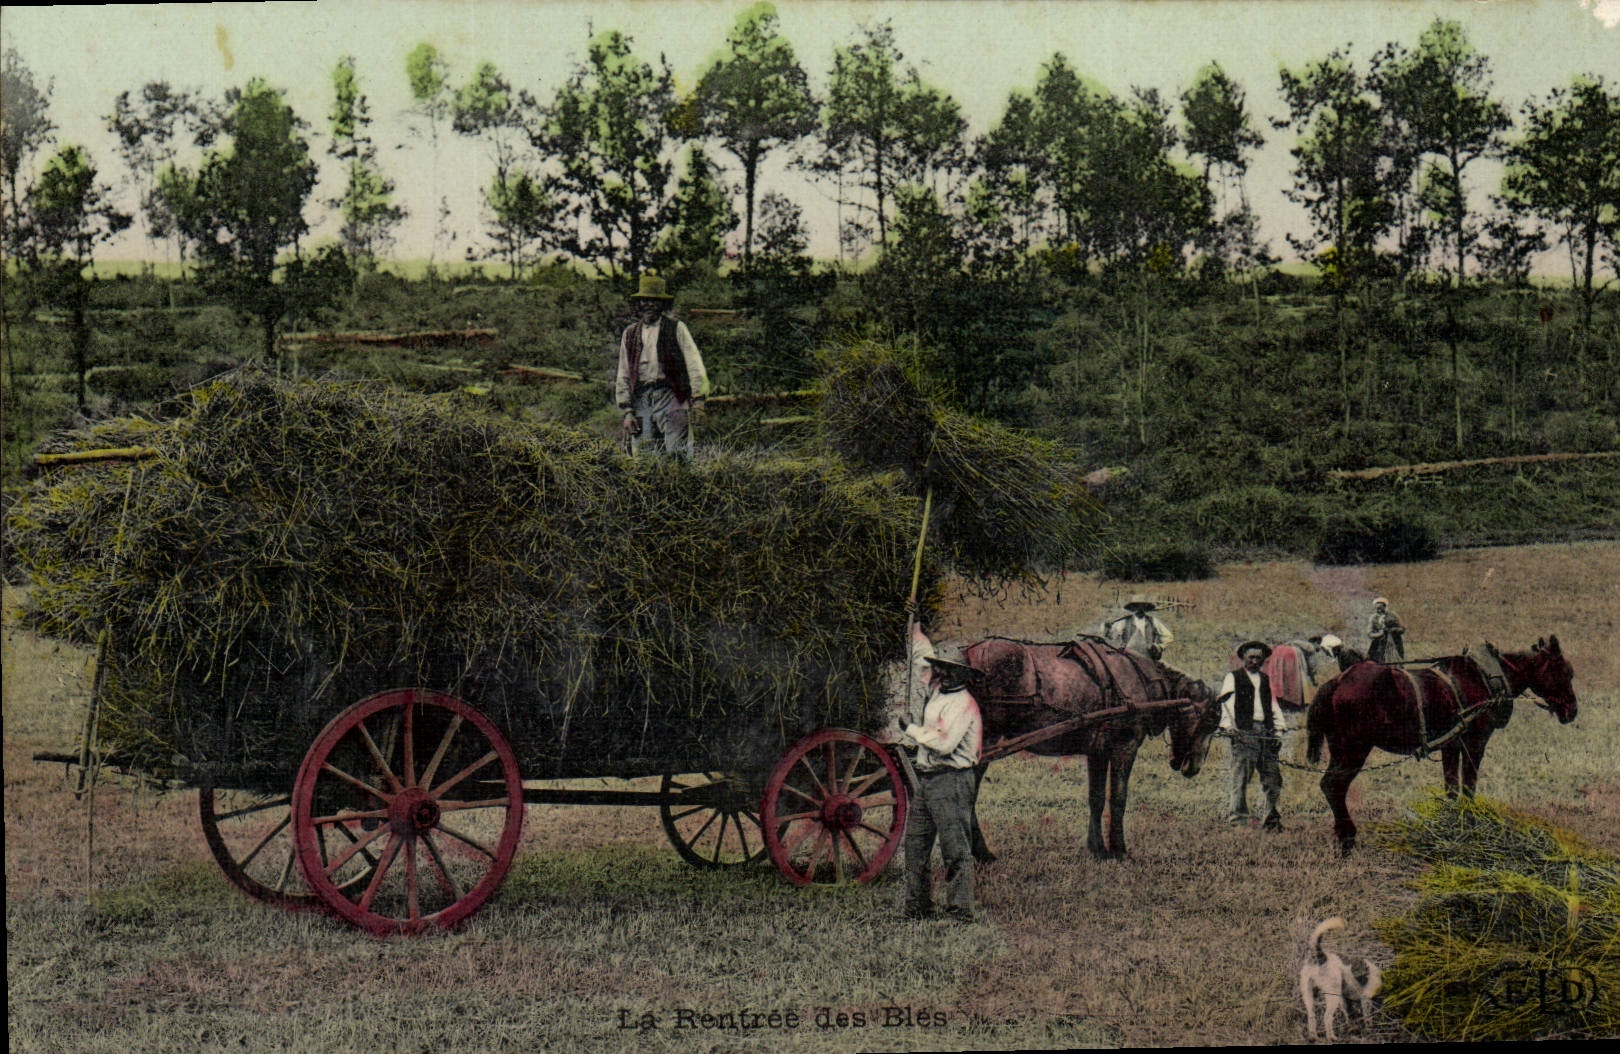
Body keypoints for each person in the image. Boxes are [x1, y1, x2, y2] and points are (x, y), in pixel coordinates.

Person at [898, 620, 983, 923]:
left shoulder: (964, 704)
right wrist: (914, 626)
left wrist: (911, 729)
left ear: (961, 675)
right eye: (939, 668)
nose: (941, 673)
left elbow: (944, 745)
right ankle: (917, 908)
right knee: (915, 847)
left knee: (955, 849)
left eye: (948, 670)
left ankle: (960, 911)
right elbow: (920, 661)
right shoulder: (937, 693)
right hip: (928, 782)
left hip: (952, 781)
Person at [614, 273, 709, 458]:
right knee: (643, 458)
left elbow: (694, 364)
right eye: (645, 301)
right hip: (641, 399)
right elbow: (623, 373)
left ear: (662, 305)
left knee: (677, 455)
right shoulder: (630, 334)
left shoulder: (676, 328)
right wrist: (627, 411)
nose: (650, 305)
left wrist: (698, 400)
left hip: (671, 396)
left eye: (655, 301)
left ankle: (679, 486)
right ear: (639, 304)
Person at [1217, 640, 1284, 831]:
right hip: (1244, 732)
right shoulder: (1233, 677)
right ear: (1243, 658)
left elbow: (1273, 706)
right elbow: (1226, 703)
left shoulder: (1265, 679)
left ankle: (1270, 819)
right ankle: (1238, 819)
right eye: (1251, 658)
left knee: (1273, 778)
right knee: (1241, 777)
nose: (1255, 661)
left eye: (1259, 658)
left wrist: (1278, 730)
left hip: (1266, 732)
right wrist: (1229, 727)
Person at [1100, 595, 1174, 660]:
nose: (1139, 609)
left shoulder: (1152, 621)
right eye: (1137, 606)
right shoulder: (1125, 621)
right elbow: (1112, 636)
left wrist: (1159, 647)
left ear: (1145, 608)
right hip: (1128, 657)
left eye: (1142, 606)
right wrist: (1107, 627)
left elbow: (1168, 636)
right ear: (1133, 608)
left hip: (1147, 656)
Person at [1366, 597, 1405, 664]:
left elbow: (1402, 629)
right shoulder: (1373, 618)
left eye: (1381, 608)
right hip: (1379, 643)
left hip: (1394, 642)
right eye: (1377, 609)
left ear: (1385, 607)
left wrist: (1393, 630)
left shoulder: (1392, 615)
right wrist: (1380, 634)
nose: (1379, 610)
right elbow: (1369, 633)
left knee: (1395, 660)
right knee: (1376, 661)